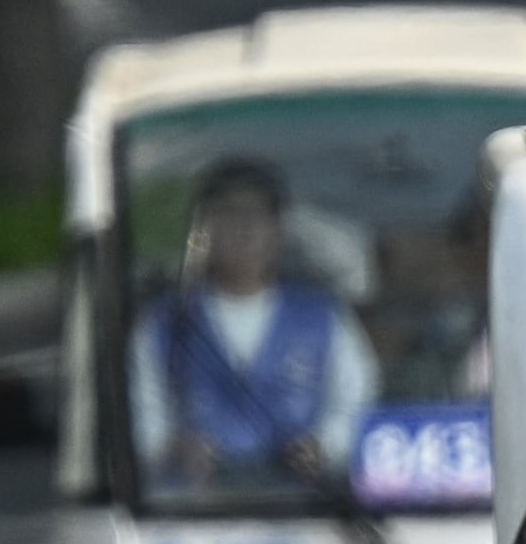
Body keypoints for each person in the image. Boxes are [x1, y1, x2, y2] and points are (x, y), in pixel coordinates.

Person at [130, 158, 375, 497]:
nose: (244, 230)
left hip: (306, 509)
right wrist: (171, 446)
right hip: (190, 510)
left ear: (278, 228)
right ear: (202, 230)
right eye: (227, 214)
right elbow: (142, 409)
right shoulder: (163, 323)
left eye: (256, 215)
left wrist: (325, 446)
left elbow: (356, 399)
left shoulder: (324, 316)